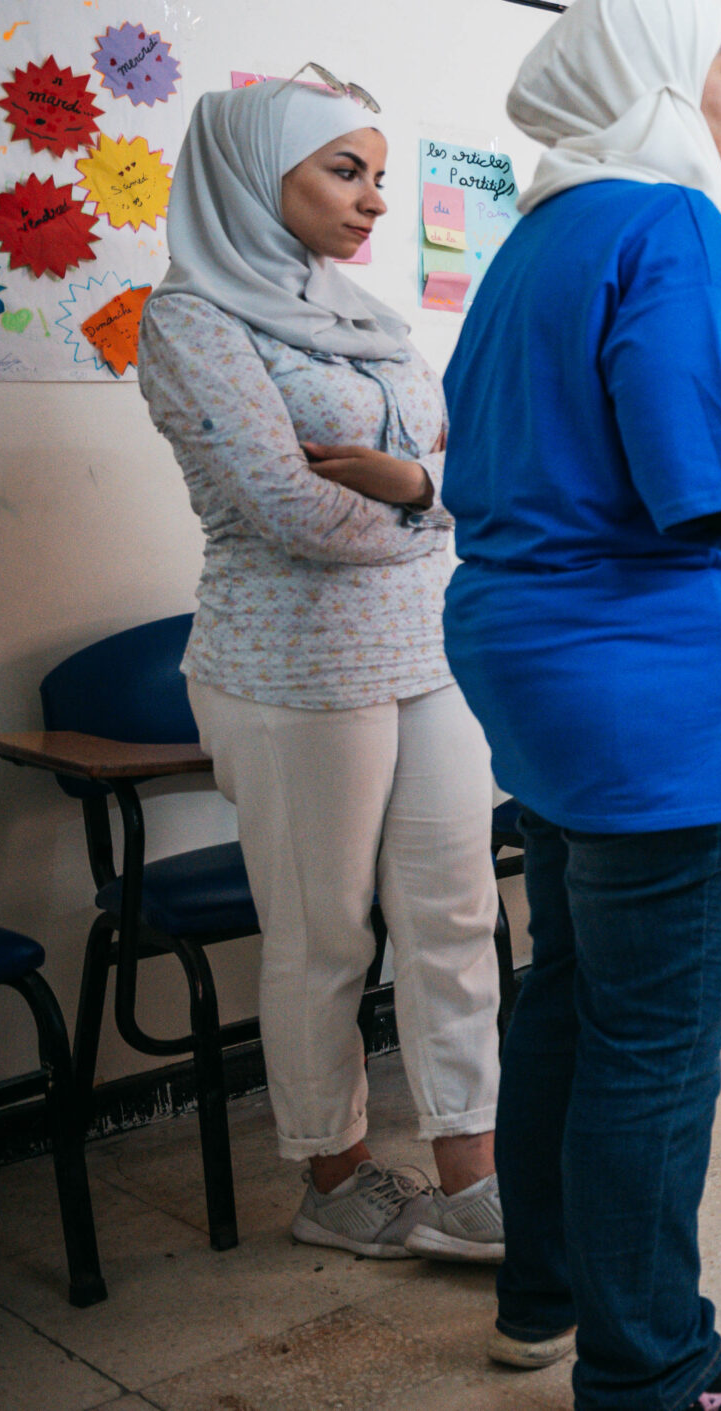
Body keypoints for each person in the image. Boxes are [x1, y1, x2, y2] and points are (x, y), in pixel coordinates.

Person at [443, 0, 721, 1411]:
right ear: (660, 81)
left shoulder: (538, 240)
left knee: (568, 991)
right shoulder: (669, 223)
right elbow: (712, 481)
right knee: (657, 1042)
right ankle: (652, 1367)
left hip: (544, 674)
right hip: (663, 686)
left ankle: (546, 1293)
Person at [138, 76, 505, 1265]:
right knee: (323, 937)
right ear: (257, 175)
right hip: (286, 668)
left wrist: (415, 488)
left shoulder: (366, 319)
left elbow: (458, 470)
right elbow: (290, 509)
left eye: (381, 173)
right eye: (345, 170)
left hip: (422, 648)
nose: (375, 200)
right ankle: (333, 1175)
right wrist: (434, 497)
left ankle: (473, 1176)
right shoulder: (191, 321)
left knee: (456, 916)